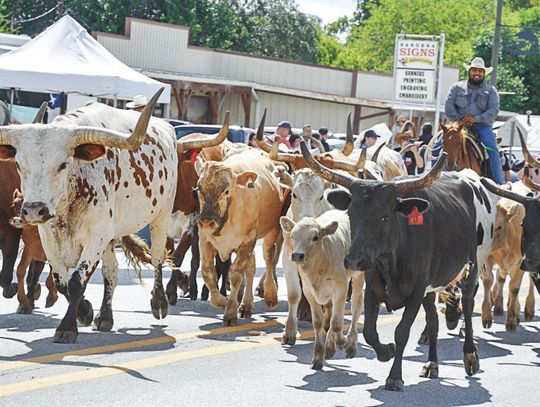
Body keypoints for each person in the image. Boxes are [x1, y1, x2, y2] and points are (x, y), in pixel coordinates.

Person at [445, 56, 503, 184]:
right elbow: (448, 107)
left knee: (492, 149)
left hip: (482, 126)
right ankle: (431, 178)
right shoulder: (456, 88)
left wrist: (476, 119)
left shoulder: (491, 91)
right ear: (469, 71)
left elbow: (493, 111)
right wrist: (460, 119)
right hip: (457, 125)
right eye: (474, 70)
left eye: (480, 71)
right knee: (439, 144)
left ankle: (499, 184)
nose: (477, 73)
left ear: (484, 74)